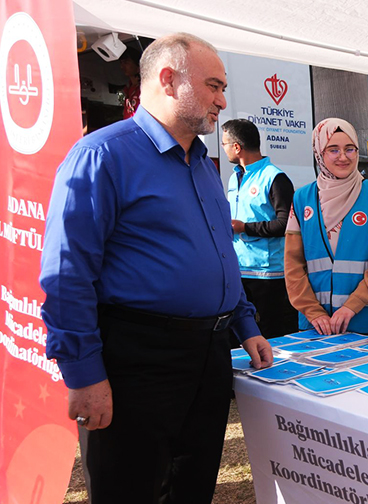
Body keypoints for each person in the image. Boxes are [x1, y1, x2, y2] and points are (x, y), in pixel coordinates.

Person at [39, 33, 273, 504]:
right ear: (168, 80)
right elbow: (67, 275)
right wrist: (84, 374)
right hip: (137, 361)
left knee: (192, 488)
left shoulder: (205, 167)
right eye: (213, 85)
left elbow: (221, 255)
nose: (223, 101)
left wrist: (245, 324)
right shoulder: (102, 156)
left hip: (207, 357)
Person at [285, 118, 368, 335]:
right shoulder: (302, 198)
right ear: (319, 152)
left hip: (364, 320)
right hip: (315, 325)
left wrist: (352, 305)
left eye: (350, 149)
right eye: (333, 150)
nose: (343, 157)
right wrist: (313, 311)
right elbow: (293, 264)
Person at [223, 118, 298, 340]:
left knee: (270, 335)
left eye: (225, 143)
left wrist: (245, 227)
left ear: (237, 147)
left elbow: (286, 224)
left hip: (268, 274)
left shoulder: (275, 178)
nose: (223, 148)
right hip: (239, 270)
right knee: (240, 336)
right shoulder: (234, 177)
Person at [118, 46, 141, 119]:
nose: (122, 66)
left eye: (126, 62)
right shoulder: (128, 88)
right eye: (121, 63)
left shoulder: (145, 87)